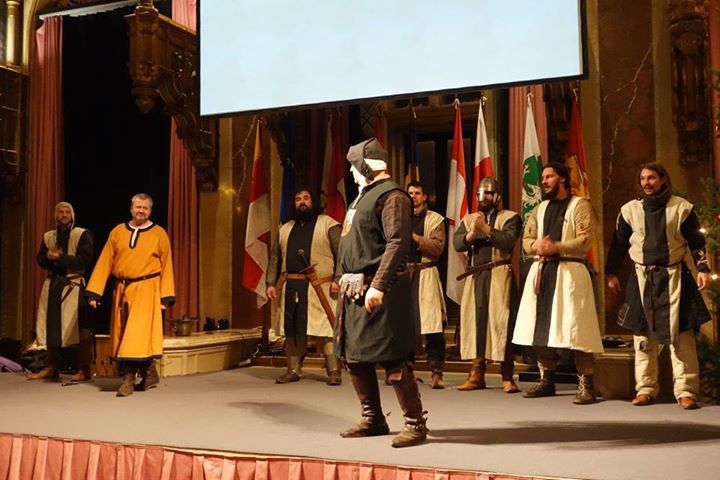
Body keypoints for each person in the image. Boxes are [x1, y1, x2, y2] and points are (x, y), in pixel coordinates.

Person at [336, 138, 426, 448]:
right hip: (354, 289)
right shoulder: (362, 197)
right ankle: (373, 417)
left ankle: (415, 423)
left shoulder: (392, 196)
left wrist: (378, 285)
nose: (351, 172)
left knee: (393, 358)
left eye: (354, 166)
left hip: (379, 289)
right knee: (355, 357)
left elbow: (398, 242)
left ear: (366, 166)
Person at [606, 162, 710, 410]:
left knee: (682, 337)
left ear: (663, 179)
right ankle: (645, 389)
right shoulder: (629, 210)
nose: (646, 183)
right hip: (642, 279)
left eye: (651, 178)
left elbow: (696, 241)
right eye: (643, 178)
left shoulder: (681, 208)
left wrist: (703, 269)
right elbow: (619, 244)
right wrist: (611, 272)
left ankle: (686, 391)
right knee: (643, 337)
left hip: (675, 277)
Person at [512, 162, 604, 405]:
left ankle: (586, 383)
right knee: (541, 327)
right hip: (543, 271)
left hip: (570, 272)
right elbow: (527, 238)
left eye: (549, 176)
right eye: (543, 177)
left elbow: (585, 240)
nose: (543, 181)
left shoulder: (580, 206)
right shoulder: (540, 208)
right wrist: (535, 246)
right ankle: (546, 379)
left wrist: (556, 247)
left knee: (578, 328)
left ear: (562, 179)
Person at [84, 193, 175, 397]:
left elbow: (167, 265)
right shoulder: (118, 232)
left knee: (136, 335)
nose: (141, 211)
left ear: (150, 211)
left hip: (147, 288)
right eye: (138, 207)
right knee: (122, 333)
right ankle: (150, 373)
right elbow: (105, 261)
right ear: (131, 208)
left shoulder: (159, 234)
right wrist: (95, 292)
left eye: (145, 208)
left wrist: (165, 297)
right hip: (122, 289)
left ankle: (128, 380)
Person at [266, 187, 342, 385]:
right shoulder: (285, 229)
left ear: (313, 202)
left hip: (321, 287)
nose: (302, 202)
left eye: (306, 198)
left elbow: (342, 254)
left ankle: (334, 371)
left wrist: (338, 278)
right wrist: (271, 283)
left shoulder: (329, 224)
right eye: (298, 199)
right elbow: (275, 259)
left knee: (326, 330)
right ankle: (293, 370)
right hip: (292, 286)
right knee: (292, 329)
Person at [453, 177, 522, 393]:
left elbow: (507, 241)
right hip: (476, 276)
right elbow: (457, 243)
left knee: (501, 323)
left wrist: (486, 229)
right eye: (480, 194)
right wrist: (472, 234)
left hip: (499, 274)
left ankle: (507, 375)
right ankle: (477, 373)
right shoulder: (470, 220)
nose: (484, 198)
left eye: (488, 194)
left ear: (497, 196)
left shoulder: (510, 217)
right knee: (476, 322)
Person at [28, 202, 94, 382]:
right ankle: (51, 366)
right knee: (51, 325)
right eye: (60, 212)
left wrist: (61, 257)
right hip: (54, 284)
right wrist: (48, 257)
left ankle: (84, 368)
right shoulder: (49, 236)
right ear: (56, 216)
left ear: (72, 215)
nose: (64, 215)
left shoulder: (82, 234)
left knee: (79, 328)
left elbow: (84, 260)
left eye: (67, 212)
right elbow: (40, 259)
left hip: (73, 284)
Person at [406, 181, 448, 389]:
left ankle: (436, 372)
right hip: (405, 276)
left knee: (433, 326)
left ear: (424, 197)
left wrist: (415, 238)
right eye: (410, 193)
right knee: (405, 327)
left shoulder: (435, 220)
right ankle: (405, 371)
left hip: (426, 273)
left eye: (417, 193)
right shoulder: (400, 218)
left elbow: (437, 248)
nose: (413, 196)